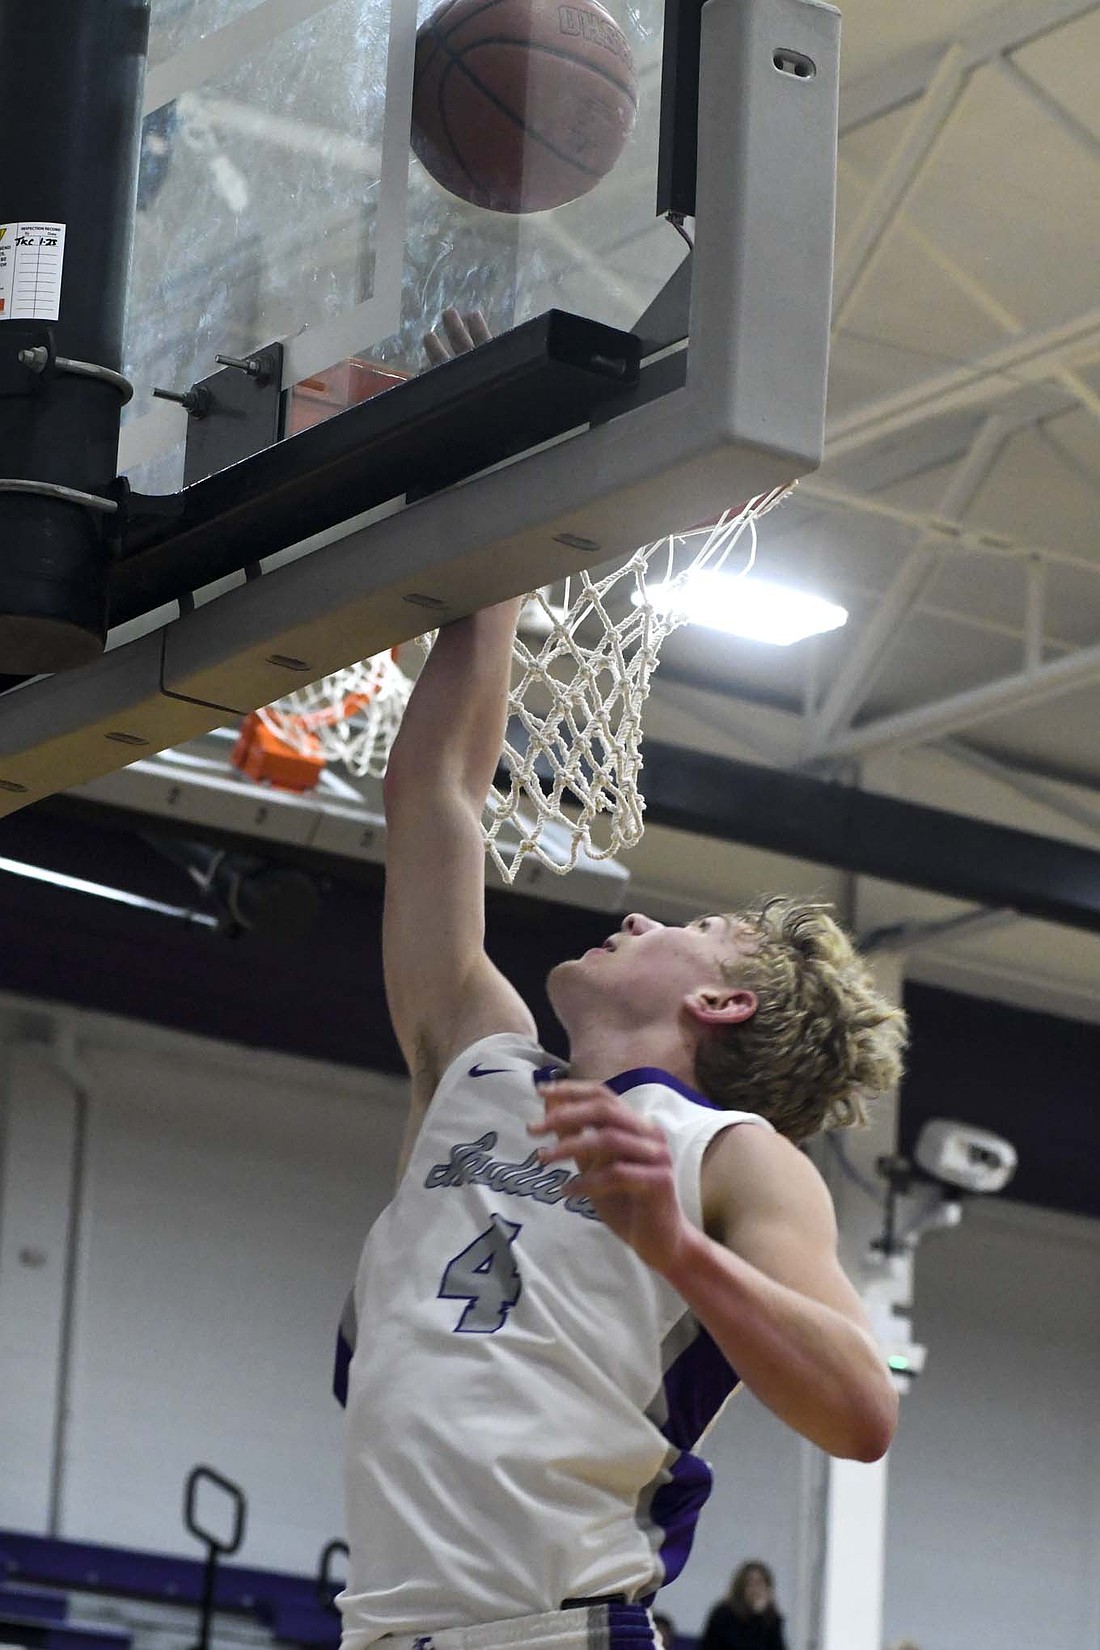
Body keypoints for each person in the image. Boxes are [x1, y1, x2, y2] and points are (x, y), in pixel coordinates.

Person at [334, 310, 908, 1650]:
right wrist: (500, 551)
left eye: (693, 928)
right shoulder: (474, 1054)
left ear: (724, 1002)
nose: (641, 908)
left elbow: (861, 1410)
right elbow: (436, 795)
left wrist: (677, 1247)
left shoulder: (730, 1155)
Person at [701, 1562, 788, 1650]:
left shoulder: (772, 1618)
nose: (755, 1589)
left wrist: (760, 1617)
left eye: (760, 1583)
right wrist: (756, 1617)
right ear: (740, 1587)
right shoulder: (723, 1614)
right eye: (750, 1583)